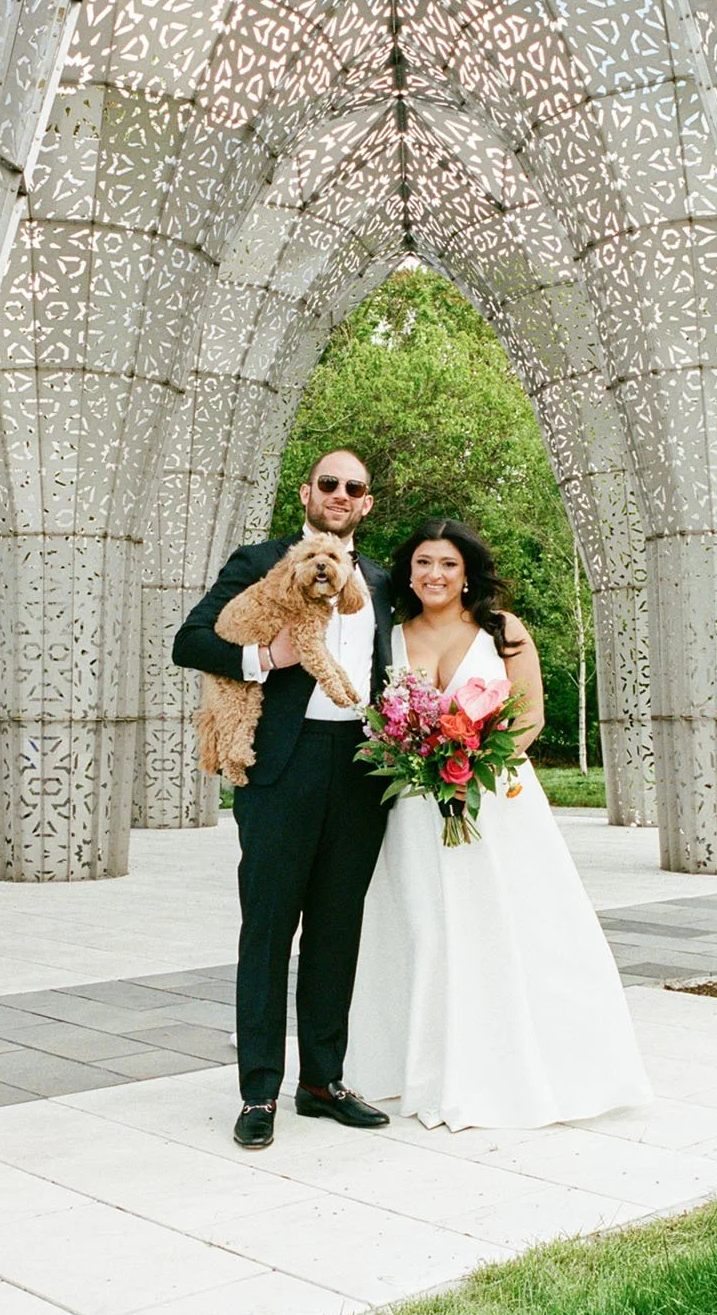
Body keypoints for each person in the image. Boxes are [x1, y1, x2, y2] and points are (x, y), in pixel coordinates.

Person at [345, 518, 652, 1130]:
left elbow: (529, 715)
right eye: (424, 562)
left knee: (507, 923)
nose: (435, 574)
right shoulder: (392, 636)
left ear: (467, 574)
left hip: (496, 799)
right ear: (408, 571)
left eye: (449, 564)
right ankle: (416, 1064)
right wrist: (420, 763)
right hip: (413, 807)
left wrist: (466, 768)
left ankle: (510, 1067)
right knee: (423, 923)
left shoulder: (502, 630)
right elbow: (379, 719)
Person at [172, 449, 394, 1149]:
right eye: (327, 483)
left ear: (366, 504)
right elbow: (190, 641)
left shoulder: (383, 580)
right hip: (282, 768)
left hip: (362, 769)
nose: (339, 493)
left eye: (352, 487)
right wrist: (264, 659)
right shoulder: (260, 560)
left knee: (338, 929)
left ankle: (323, 1083)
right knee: (268, 930)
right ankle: (258, 1093)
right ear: (307, 492)